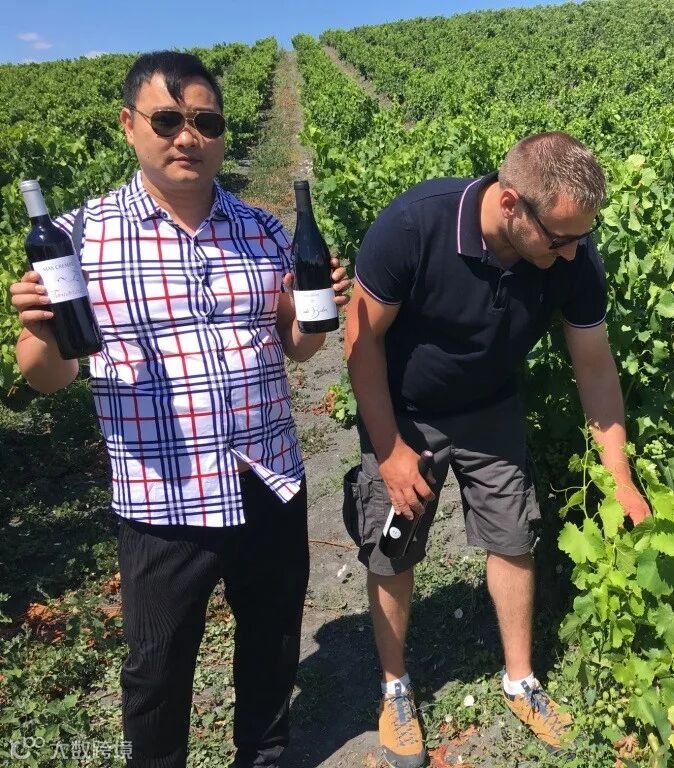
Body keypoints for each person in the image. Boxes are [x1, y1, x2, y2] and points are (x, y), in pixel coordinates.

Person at [8, 51, 351, 768]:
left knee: (271, 643)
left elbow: (297, 349)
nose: (188, 137)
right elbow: (47, 379)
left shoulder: (263, 231)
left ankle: (263, 755)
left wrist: (311, 314)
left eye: (205, 122)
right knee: (157, 670)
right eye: (167, 120)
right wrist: (40, 332)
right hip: (162, 497)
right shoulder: (78, 239)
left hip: (266, 477)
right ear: (129, 125)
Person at [344, 131, 651, 767]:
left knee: (514, 535)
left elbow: (595, 368)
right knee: (393, 544)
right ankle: (395, 687)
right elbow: (360, 340)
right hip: (406, 413)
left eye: (581, 237)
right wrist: (390, 450)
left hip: (490, 409)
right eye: (560, 238)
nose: (572, 253)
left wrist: (620, 476)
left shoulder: (572, 254)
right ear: (511, 205)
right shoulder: (415, 226)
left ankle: (520, 680)